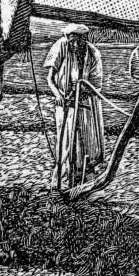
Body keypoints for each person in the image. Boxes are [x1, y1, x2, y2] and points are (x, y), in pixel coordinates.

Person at [44, 23, 105, 186]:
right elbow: (50, 78)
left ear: (85, 39)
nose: (76, 45)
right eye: (73, 41)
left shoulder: (93, 53)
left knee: (86, 140)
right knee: (66, 140)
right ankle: (63, 180)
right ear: (68, 39)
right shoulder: (61, 46)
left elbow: (96, 83)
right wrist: (58, 95)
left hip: (85, 102)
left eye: (80, 40)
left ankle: (84, 178)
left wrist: (82, 91)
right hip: (64, 103)